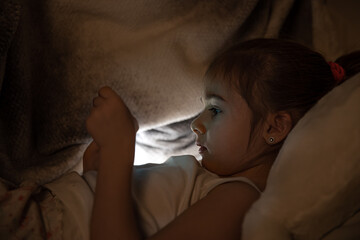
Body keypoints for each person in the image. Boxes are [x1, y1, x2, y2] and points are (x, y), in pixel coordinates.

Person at [83, 38, 360, 240]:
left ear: (274, 128)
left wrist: (118, 153)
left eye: (215, 110)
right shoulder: (214, 184)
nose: (196, 124)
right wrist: (96, 175)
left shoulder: (241, 199)